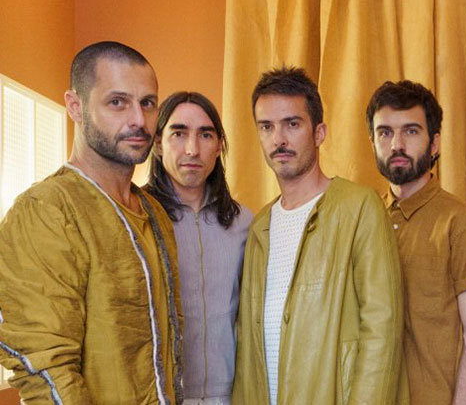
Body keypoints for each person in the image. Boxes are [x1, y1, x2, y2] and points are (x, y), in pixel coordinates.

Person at [0, 41, 182, 404]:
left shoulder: (155, 213)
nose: (138, 119)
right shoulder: (46, 210)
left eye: (148, 103)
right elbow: (46, 370)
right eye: (117, 102)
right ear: (75, 106)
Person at [232, 66, 408, 404]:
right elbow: (247, 347)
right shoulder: (259, 227)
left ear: (319, 132)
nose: (278, 140)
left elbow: (382, 331)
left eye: (292, 124)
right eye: (266, 127)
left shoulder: (359, 207)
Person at [366, 80, 466, 405]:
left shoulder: (464, 223)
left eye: (411, 131)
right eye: (385, 133)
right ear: (372, 142)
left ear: (435, 142)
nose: (396, 145)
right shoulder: (365, 221)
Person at [145, 91, 252, 405]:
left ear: (219, 146)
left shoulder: (245, 223)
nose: (192, 149)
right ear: (158, 143)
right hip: (157, 395)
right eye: (179, 133)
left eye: (205, 135)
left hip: (232, 395)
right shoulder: (137, 217)